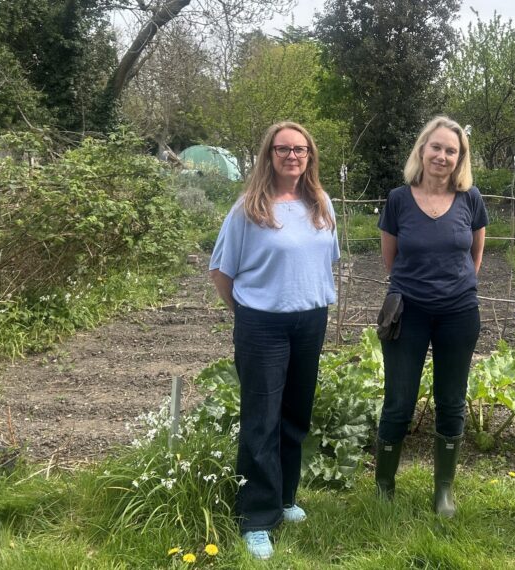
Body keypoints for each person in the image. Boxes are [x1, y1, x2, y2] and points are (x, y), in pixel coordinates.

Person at [209, 121, 339, 560]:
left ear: (310, 156)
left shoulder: (321, 204)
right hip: (262, 325)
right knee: (261, 419)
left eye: (300, 149)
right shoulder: (248, 208)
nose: (292, 156)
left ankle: (284, 497)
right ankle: (256, 518)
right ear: (269, 155)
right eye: (283, 149)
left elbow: (321, 261)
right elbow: (221, 272)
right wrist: (250, 311)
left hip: (310, 320)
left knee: (295, 415)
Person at [374, 116, 488, 517]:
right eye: (436, 147)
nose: (442, 156)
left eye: (451, 151)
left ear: (460, 158)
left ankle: (443, 491)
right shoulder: (398, 199)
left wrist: (454, 287)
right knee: (398, 401)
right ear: (422, 150)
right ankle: (384, 485)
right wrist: (419, 287)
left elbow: (475, 255)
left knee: (451, 401)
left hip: (459, 313)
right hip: (407, 312)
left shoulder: (470, 198)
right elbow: (391, 259)